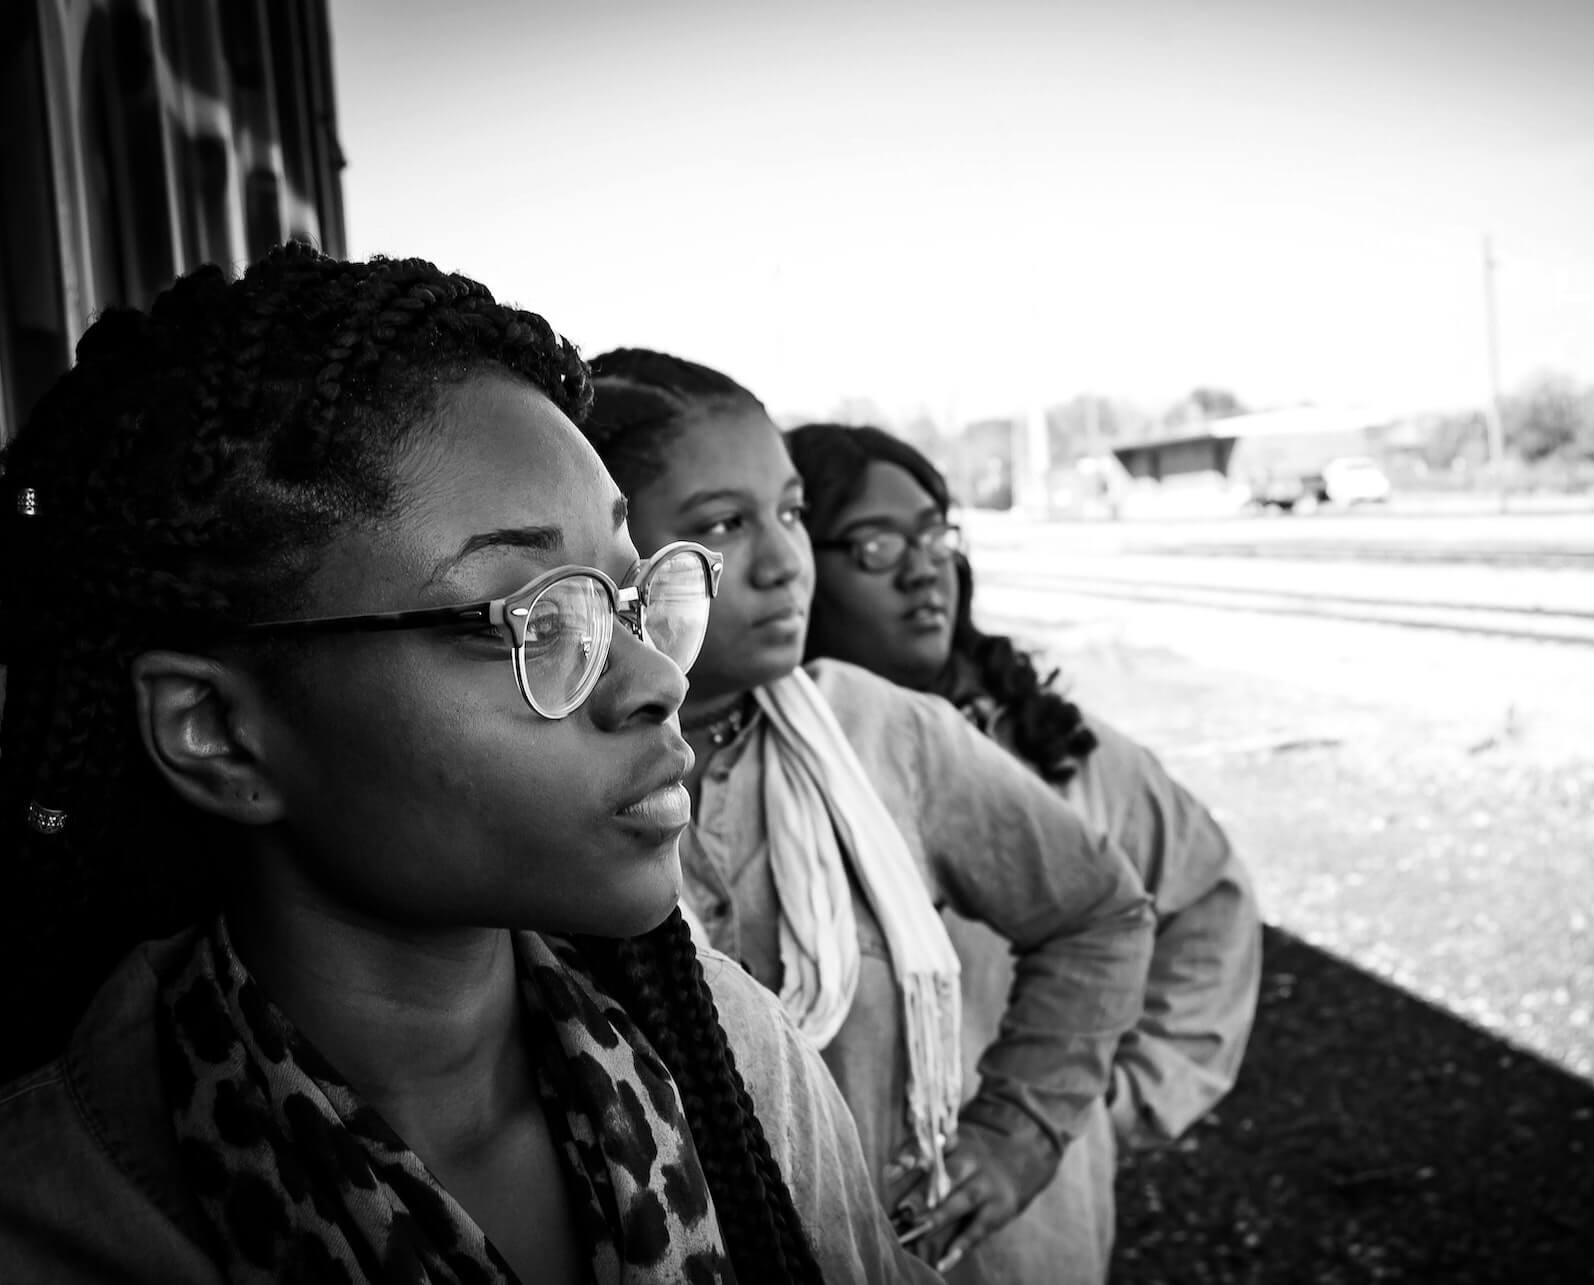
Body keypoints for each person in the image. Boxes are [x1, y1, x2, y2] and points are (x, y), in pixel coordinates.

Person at [0, 246, 942, 1285]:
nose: (653, 682)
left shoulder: (734, 1062)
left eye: (625, 598)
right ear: (216, 729)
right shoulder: (58, 1219)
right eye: (533, 619)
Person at [580, 349, 1156, 1281]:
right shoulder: (549, 775)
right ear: (611, 548)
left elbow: (1102, 913)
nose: (782, 561)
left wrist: (1014, 1135)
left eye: (795, 513)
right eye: (725, 523)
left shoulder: (880, 730)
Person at [787, 423, 1263, 1281]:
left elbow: (1207, 901)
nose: (923, 564)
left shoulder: (1059, 755)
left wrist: (1109, 1101)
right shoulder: (755, 778)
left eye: (935, 532)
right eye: (876, 542)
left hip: (1030, 1245)